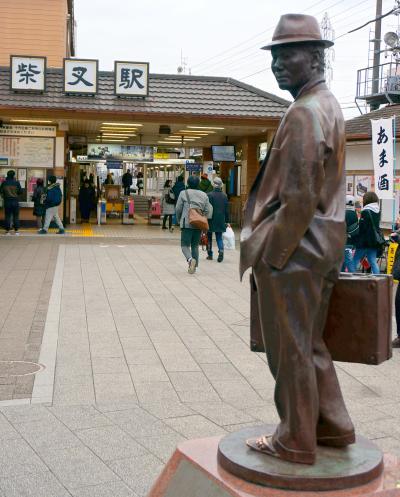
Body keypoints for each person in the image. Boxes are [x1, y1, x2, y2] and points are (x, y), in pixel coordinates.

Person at [240, 14, 354, 464]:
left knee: (289, 351)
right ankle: (332, 426)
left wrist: (274, 254)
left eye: (289, 55)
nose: (279, 65)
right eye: (276, 56)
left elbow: (301, 195)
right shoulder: (326, 104)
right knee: (310, 345)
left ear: (317, 57)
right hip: (321, 246)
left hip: (296, 251)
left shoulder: (305, 112)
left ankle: (294, 439)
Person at [175, 175, 212, 274]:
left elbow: (178, 208)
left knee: (184, 246)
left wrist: (179, 221)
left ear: (188, 183)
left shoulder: (183, 193)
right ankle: (194, 267)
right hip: (198, 223)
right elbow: (208, 210)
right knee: (195, 246)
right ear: (198, 184)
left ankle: (191, 260)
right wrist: (202, 217)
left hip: (186, 223)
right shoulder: (204, 195)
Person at [352, 191, 381, 274]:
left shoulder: (365, 211)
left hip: (364, 241)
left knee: (355, 260)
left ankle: (350, 277)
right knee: (372, 261)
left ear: (367, 199)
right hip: (374, 241)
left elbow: (362, 227)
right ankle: (377, 278)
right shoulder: (377, 210)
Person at [206, 177, 229, 262]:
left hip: (210, 219)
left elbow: (207, 209)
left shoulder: (209, 195)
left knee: (209, 236)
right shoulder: (224, 196)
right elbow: (227, 211)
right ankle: (221, 251)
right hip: (220, 219)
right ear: (221, 186)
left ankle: (210, 254)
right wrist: (227, 221)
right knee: (219, 237)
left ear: (213, 184)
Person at [0, 170, 22, 235]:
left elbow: (1, 191)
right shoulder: (16, 182)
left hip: (7, 201)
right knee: (16, 216)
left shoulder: (4, 183)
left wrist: (4, 195)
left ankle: (7, 231)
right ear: (13, 175)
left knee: (7, 216)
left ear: (7, 175)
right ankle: (16, 231)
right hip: (15, 201)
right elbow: (20, 192)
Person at [342, 194, 358, 272]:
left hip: (344, 240)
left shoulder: (344, 213)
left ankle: (353, 275)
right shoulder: (354, 213)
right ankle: (341, 275)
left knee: (347, 259)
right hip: (352, 240)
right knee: (344, 260)